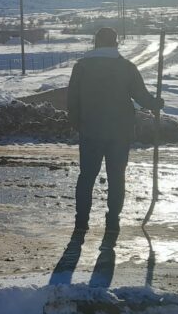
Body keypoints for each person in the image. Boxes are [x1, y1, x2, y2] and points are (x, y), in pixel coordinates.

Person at [67, 27, 163, 237]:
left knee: (87, 177)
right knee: (116, 176)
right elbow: (141, 97)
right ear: (115, 43)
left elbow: (72, 100)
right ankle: (112, 222)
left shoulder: (81, 67)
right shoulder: (126, 67)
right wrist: (156, 103)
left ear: (96, 43)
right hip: (120, 132)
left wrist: (78, 124)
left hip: (90, 131)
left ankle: (81, 222)